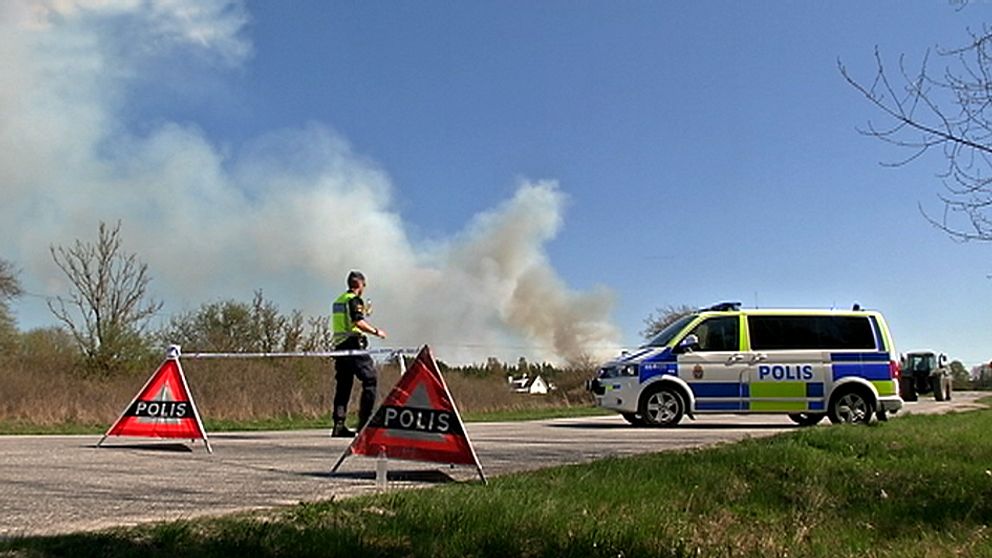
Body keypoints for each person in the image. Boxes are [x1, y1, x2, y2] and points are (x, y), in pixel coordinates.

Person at [330, 270, 387, 438]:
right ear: (360, 285)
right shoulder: (354, 300)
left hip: (339, 347)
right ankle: (365, 423)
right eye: (364, 285)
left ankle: (338, 425)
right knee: (370, 379)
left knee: (344, 385)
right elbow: (358, 322)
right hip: (353, 344)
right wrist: (377, 332)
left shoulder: (339, 300)